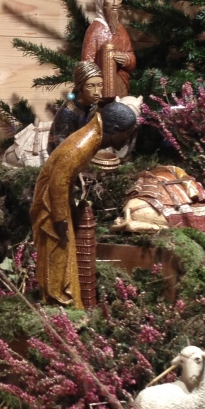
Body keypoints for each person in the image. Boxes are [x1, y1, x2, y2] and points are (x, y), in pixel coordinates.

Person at [31, 101, 138, 308]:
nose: (127, 139)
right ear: (115, 130)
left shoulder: (94, 137)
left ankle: (66, 298)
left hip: (59, 199)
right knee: (59, 248)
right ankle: (59, 299)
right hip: (50, 203)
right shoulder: (83, 144)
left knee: (65, 250)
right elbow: (58, 180)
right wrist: (60, 218)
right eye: (127, 134)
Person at [81, 0, 136, 97]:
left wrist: (125, 59)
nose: (115, 3)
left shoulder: (121, 29)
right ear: (101, 0)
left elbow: (131, 55)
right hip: (101, 87)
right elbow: (87, 63)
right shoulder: (94, 30)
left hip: (121, 84)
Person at [47, 61, 101, 152]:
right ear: (80, 87)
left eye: (100, 85)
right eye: (90, 86)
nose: (97, 92)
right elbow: (60, 142)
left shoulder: (93, 106)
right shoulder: (67, 112)